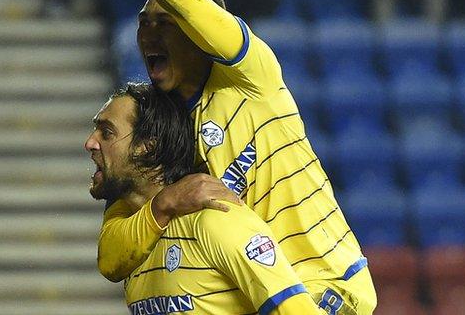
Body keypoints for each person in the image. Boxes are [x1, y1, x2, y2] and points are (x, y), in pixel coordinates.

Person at [98, 0, 377, 314]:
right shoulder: (159, 124)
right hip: (249, 286)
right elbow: (111, 257)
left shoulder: (250, 76)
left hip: (322, 283)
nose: (148, 34)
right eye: (143, 23)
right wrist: (163, 203)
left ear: (200, 33)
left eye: (165, 22)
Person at [85, 83, 323, 315]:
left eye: (106, 133)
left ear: (148, 146)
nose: (90, 143)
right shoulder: (132, 241)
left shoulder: (217, 220)